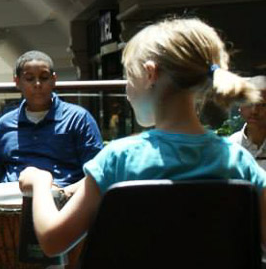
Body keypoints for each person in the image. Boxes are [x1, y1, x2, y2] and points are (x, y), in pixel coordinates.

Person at [19, 17, 266, 257]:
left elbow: (52, 241)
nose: (127, 88)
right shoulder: (239, 161)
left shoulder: (119, 159)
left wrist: (41, 182)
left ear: (150, 74)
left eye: (129, 75)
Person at [0, 50, 103, 269]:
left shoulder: (79, 118)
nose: (37, 84)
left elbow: (97, 174)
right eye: (30, 78)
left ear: (54, 79)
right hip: (13, 206)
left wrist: (66, 193)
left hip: (62, 203)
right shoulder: (5, 123)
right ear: (17, 82)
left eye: (44, 77)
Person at [229, 76, 266, 170]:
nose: (254, 111)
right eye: (249, 103)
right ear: (240, 106)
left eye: (262, 105)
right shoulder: (231, 146)